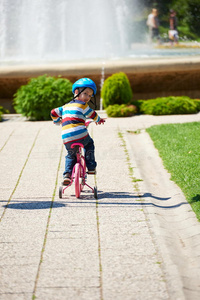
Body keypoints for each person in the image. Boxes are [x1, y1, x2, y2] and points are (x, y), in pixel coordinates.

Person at [50, 78, 105, 185]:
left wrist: (58, 121)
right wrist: (99, 120)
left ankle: (67, 175)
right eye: (85, 94)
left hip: (66, 137)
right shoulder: (83, 106)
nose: (88, 97)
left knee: (71, 155)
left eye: (90, 95)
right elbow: (93, 115)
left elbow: (53, 112)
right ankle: (91, 167)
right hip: (81, 134)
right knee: (89, 144)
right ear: (76, 92)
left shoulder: (64, 107)